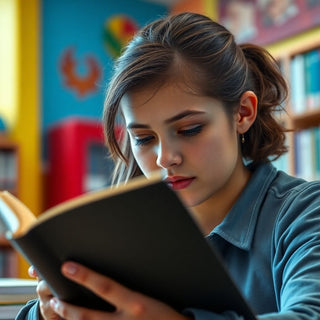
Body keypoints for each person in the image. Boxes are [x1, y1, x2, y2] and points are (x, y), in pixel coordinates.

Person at [16, 12, 320, 320]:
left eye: (189, 129)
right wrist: (48, 312)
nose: (164, 158)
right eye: (144, 138)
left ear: (242, 113)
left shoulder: (304, 213)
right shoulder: (123, 230)